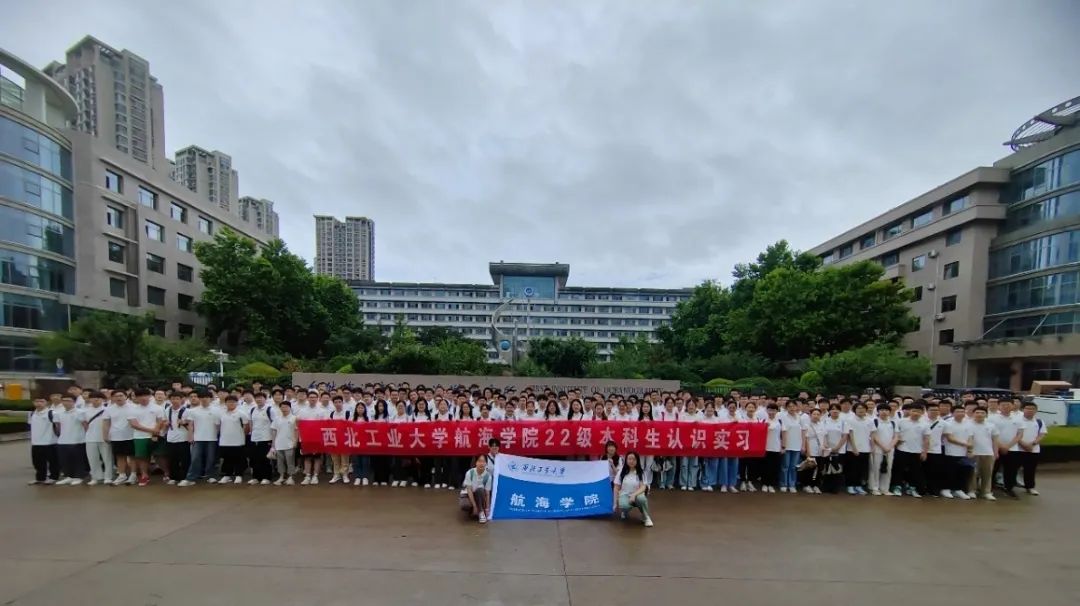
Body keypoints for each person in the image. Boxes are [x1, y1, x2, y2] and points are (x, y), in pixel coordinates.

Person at [179, 389, 221, 487]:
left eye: (206, 397)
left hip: (212, 438)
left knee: (211, 459)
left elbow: (218, 425)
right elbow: (191, 424)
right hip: (197, 438)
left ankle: (210, 476)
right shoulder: (193, 411)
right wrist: (190, 436)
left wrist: (216, 435)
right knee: (195, 458)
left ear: (210, 399)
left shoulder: (216, 410)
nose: (204, 399)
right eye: (202, 397)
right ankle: (190, 478)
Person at [891, 402, 929, 497]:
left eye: (918, 411)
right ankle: (897, 487)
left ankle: (912, 488)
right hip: (902, 449)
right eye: (914, 411)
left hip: (917, 451)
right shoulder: (901, 421)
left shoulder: (925, 424)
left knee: (915, 471)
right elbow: (896, 435)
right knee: (898, 469)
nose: (916, 413)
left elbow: (926, 439)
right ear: (910, 411)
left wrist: (924, 452)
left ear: (922, 413)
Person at [128, 388, 165, 487]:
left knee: (160, 455)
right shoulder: (132, 409)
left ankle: (167, 473)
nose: (143, 398)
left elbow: (160, 421)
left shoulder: (158, 408)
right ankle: (144, 475)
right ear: (136, 398)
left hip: (156, 435)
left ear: (150, 396)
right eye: (140, 396)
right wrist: (151, 430)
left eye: (145, 395)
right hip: (140, 436)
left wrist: (155, 432)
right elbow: (134, 424)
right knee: (142, 457)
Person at [1010, 402, 1047, 496]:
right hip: (1018, 449)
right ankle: (1010, 487)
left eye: (1032, 409)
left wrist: (1033, 444)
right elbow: (1014, 434)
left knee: (1030, 469)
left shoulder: (1039, 421)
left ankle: (1030, 487)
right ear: (1023, 409)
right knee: (1012, 469)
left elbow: (1042, 434)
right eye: (1027, 408)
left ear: (1036, 410)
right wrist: (1023, 444)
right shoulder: (1016, 421)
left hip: (1033, 450)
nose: (1030, 410)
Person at [102, 390, 136, 486]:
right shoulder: (109, 409)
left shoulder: (133, 407)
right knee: (120, 456)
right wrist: (105, 435)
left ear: (126, 396)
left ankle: (133, 475)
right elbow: (106, 423)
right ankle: (122, 475)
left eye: (121, 395)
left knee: (132, 456)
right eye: (116, 396)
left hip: (131, 435)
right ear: (112, 398)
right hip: (116, 436)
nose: (118, 398)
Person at [81, 391, 113, 486]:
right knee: (92, 458)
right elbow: (84, 424)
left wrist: (107, 435)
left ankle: (108, 477)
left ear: (103, 399)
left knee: (107, 458)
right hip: (90, 437)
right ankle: (95, 477)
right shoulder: (85, 411)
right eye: (93, 397)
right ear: (90, 399)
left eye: (98, 398)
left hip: (105, 437)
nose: (96, 399)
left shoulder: (108, 409)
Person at [217, 395, 251, 485]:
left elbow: (247, 426)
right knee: (227, 459)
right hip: (225, 441)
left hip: (238, 441)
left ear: (237, 403)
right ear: (225, 403)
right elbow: (218, 426)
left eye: (233, 402)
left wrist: (242, 436)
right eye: (229, 402)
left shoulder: (241, 414)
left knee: (238, 458)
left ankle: (239, 475)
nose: (231, 403)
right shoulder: (221, 414)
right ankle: (227, 475)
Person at [614, 451, 653, 527]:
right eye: (629, 459)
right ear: (626, 460)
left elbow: (643, 487)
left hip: (637, 494)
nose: (631, 461)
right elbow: (616, 487)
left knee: (642, 499)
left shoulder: (640, 472)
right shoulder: (621, 472)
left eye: (634, 459)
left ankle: (646, 517)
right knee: (624, 505)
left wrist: (634, 495)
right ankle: (625, 511)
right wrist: (615, 503)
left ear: (637, 461)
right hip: (624, 495)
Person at [942, 404, 973, 499]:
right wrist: (965, 444)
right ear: (952, 413)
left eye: (962, 411)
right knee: (950, 471)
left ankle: (958, 489)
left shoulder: (968, 423)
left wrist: (969, 448)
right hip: (950, 451)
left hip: (964, 452)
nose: (960, 413)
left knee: (963, 471)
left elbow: (970, 437)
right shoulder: (948, 423)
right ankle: (946, 489)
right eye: (957, 411)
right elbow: (949, 438)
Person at [968, 406, 1000, 501]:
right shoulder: (968, 425)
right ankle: (972, 490)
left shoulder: (991, 426)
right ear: (973, 414)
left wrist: (995, 452)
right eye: (977, 412)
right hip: (974, 453)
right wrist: (969, 451)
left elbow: (995, 440)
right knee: (973, 473)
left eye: (982, 413)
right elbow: (968, 439)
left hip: (988, 452)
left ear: (986, 415)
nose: (980, 414)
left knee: (987, 473)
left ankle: (986, 492)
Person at [55, 395, 87, 485]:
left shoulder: (80, 412)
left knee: (78, 460)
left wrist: (85, 437)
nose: (66, 402)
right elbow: (58, 426)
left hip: (78, 440)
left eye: (69, 400)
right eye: (64, 400)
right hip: (63, 440)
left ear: (74, 402)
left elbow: (85, 425)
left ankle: (78, 476)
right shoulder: (59, 413)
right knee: (65, 460)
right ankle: (69, 476)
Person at [28, 397, 59, 485]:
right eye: (36, 401)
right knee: (37, 462)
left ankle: (53, 477)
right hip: (36, 442)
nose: (39, 403)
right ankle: (40, 478)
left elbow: (58, 426)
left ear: (47, 403)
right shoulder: (32, 414)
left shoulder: (52, 413)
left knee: (53, 462)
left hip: (50, 442)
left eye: (42, 401)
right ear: (33, 402)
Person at [868, 404, 898, 496]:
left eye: (886, 410)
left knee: (888, 468)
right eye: (881, 410)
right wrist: (883, 446)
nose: (884, 412)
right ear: (878, 411)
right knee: (875, 468)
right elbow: (874, 436)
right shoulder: (874, 421)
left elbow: (896, 436)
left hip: (890, 449)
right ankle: (874, 488)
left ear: (889, 412)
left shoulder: (893, 423)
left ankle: (885, 489)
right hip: (877, 449)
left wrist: (889, 447)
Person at [248, 393, 276, 485]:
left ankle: (266, 477)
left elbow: (274, 425)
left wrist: (273, 441)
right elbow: (251, 423)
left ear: (265, 399)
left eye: (261, 398)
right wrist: (252, 434)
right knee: (254, 459)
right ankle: (256, 477)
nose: (258, 399)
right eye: (257, 398)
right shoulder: (252, 410)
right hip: (254, 438)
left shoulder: (270, 409)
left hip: (266, 438)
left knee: (265, 459)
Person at [845, 402, 873, 495]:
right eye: (858, 408)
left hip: (865, 448)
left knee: (862, 469)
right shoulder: (850, 420)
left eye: (863, 408)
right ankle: (850, 485)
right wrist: (854, 448)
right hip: (852, 449)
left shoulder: (869, 421)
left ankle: (858, 486)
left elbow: (872, 434)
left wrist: (872, 447)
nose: (861, 410)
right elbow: (850, 435)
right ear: (855, 410)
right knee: (852, 468)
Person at [271, 401, 299, 485]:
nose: (284, 409)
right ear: (280, 408)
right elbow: (274, 431)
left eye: (286, 407)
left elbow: (297, 431)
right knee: (280, 462)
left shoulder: (294, 418)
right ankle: (281, 477)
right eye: (282, 407)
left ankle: (290, 477)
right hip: (279, 443)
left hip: (290, 444)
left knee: (290, 461)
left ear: (290, 408)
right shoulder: (277, 418)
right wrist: (273, 443)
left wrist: (295, 441)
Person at [779, 401, 804, 493]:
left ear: (797, 407)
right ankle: (783, 484)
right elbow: (782, 432)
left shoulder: (800, 417)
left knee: (793, 467)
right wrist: (783, 445)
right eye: (789, 406)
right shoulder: (783, 417)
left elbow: (803, 432)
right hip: (786, 445)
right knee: (785, 466)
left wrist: (803, 445)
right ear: (786, 408)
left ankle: (792, 484)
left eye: (793, 406)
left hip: (797, 445)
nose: (792, 408)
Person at [461, 454, 493, 523]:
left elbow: (487, 494)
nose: (481, 463)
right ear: (476, 463)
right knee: (465, 505)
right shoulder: (470, 473)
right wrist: (474, 506)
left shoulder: (488, 476)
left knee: (480, 489)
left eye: (483, 461)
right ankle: (474, 509)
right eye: (479, 461)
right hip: (469, 494)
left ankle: (481, 512)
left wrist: (487, 509)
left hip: (480, 495)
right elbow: (469, 490)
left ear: (486, 463)